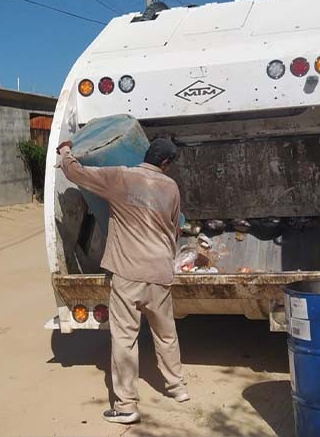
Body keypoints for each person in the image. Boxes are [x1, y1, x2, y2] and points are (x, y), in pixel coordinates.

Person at [57, 137, 189, 425]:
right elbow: (175, 227)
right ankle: (177, 388)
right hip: (160, 273)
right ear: (165, 164)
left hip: (129, 273)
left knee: (125, 338)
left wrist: (65, 150)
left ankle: (127, 406)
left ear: (147, 154)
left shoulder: (121, 177)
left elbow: (75, 172)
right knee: (166, 334)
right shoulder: (171, 187)